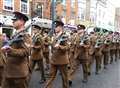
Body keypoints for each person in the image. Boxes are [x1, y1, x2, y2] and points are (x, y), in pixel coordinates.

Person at [1, 11, 31, 88]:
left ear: (21, 21)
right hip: (9, 71)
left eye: (15, 20)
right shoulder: (15, 34)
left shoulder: (25, 35)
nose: (13, 21)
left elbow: (26, 52)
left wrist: (10, 50)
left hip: (18, 73)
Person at [44, 17, 69, 88]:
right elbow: (53, 45)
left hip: (62, 61)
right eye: (55, 26)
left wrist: (60, 47)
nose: (55, 28)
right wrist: (49, 43)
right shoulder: (55, 36)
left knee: (64, 78)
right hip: (54, 60)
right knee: (50, 77)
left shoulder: (65, 36)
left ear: (60, 27)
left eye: (56, 26)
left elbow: (67, 47)